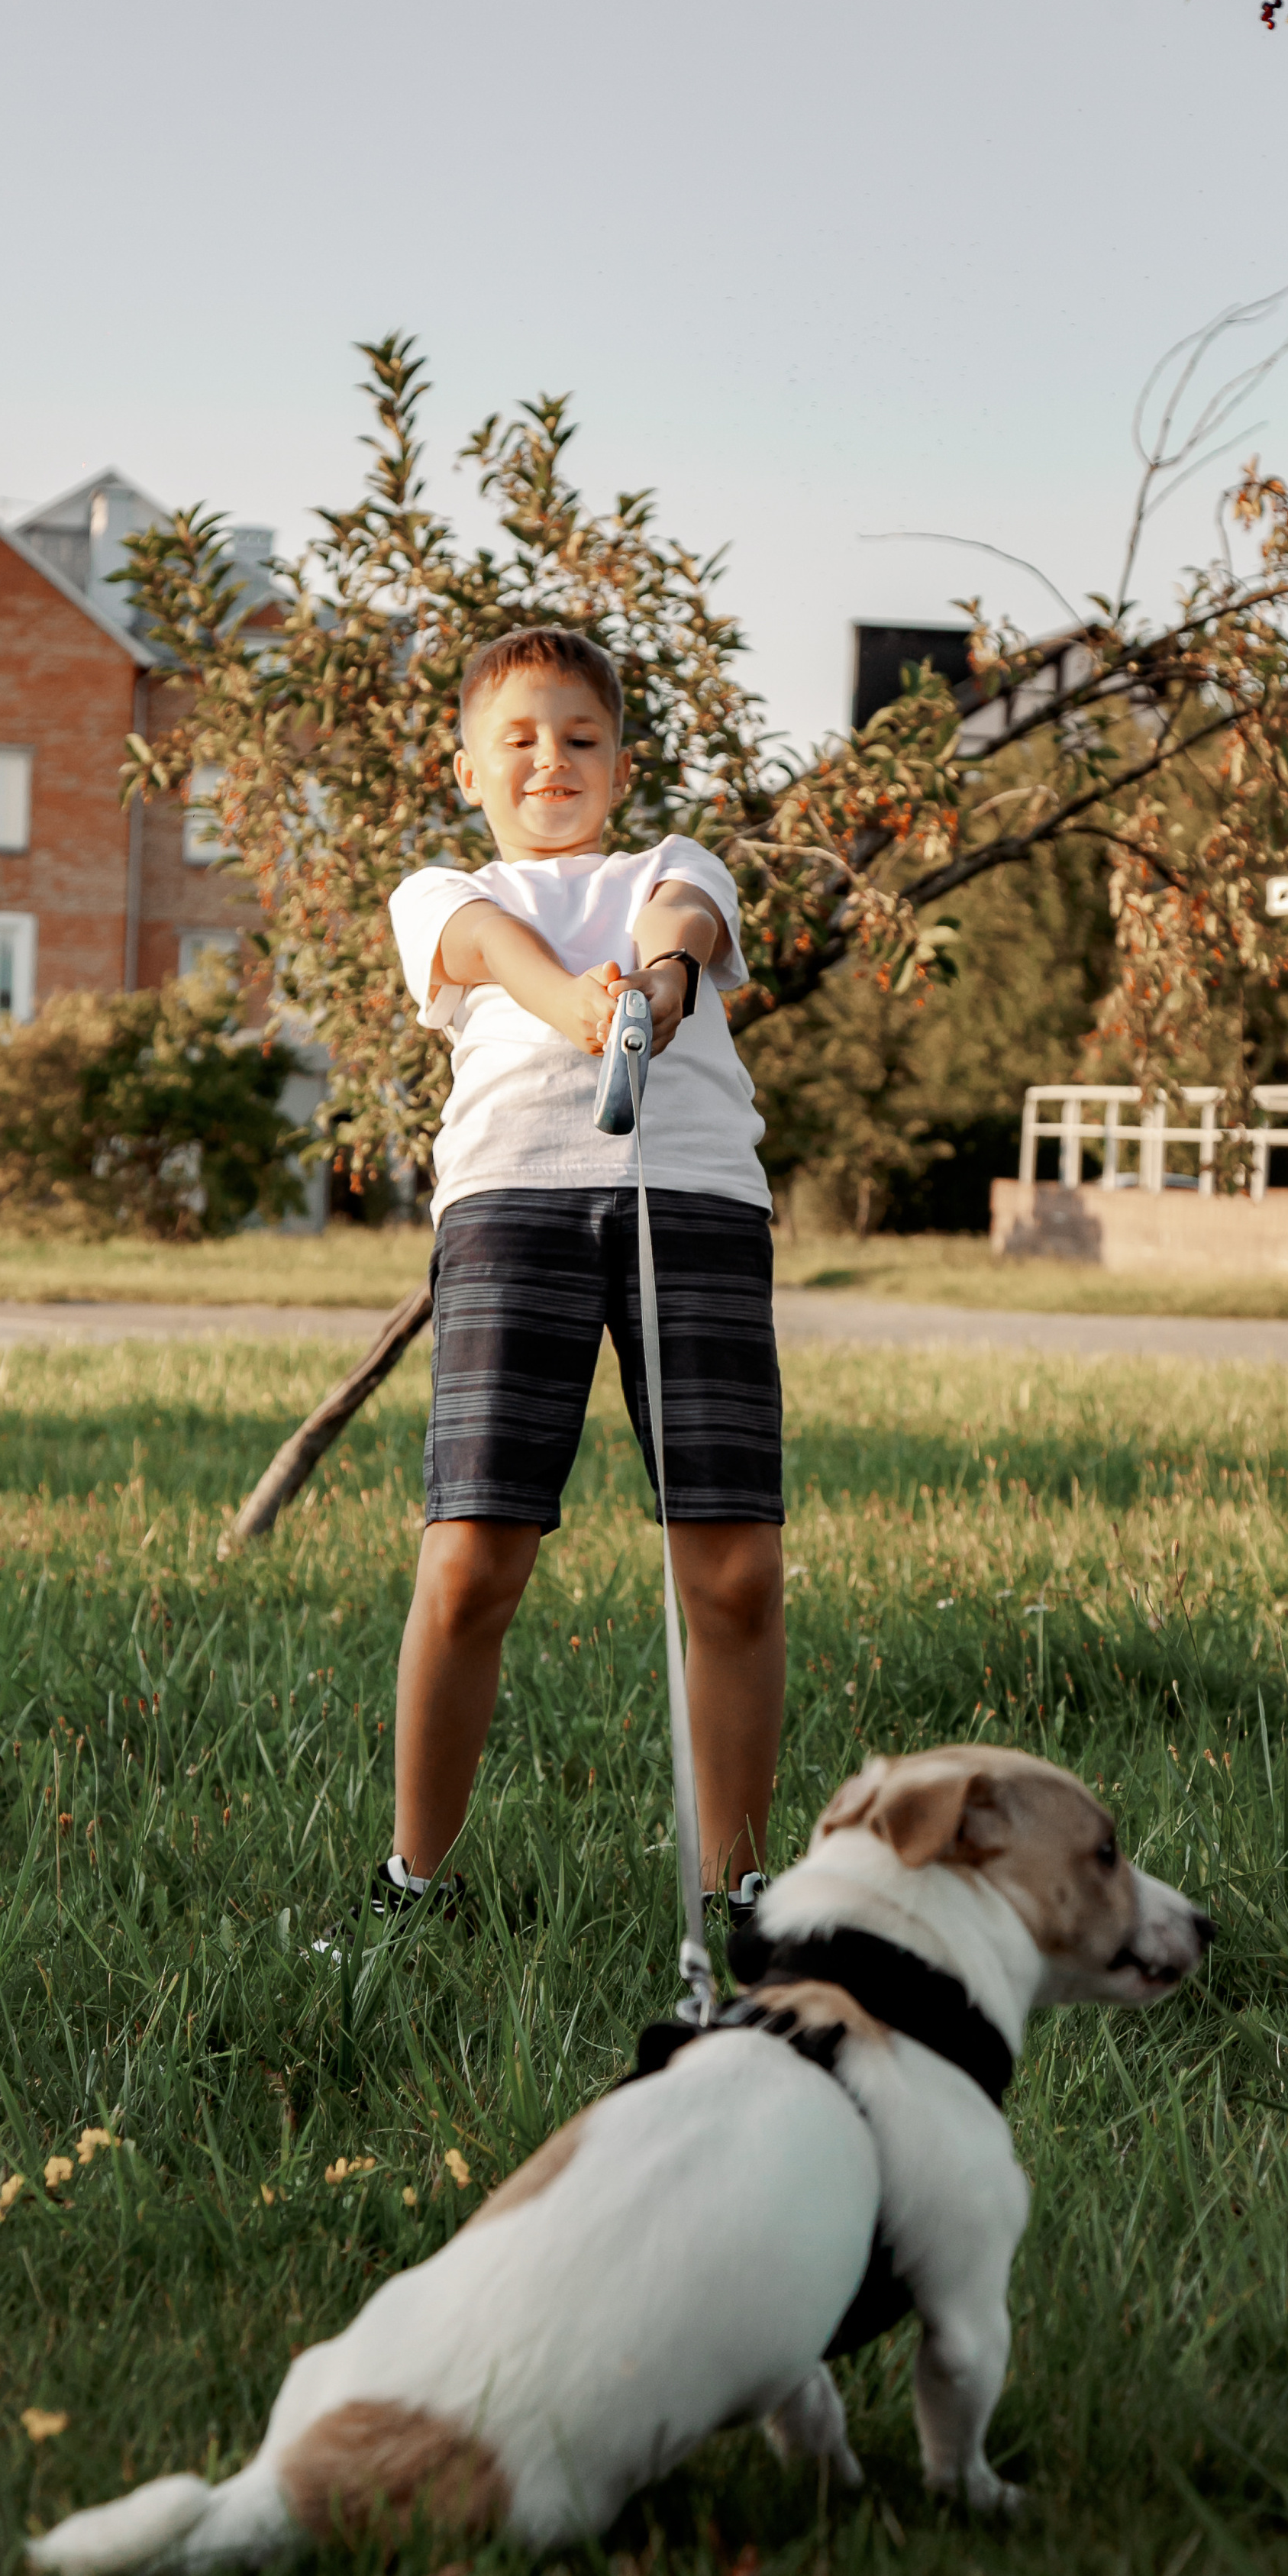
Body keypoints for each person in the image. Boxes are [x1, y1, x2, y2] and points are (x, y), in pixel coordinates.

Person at [373, 626, 783, 1929]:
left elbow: (681, 928)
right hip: (514, 1209)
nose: (553, 758)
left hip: (700, 1202)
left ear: (621, 764)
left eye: (583, 738)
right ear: (466, 769)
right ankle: (414, 1882)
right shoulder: (442, 890)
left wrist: (655, 994)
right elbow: (492, 952)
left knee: (733, 1573)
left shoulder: (672, 863)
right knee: (474, 1562)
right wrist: (577, 1010)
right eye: (522, 739)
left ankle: (738, 1889)